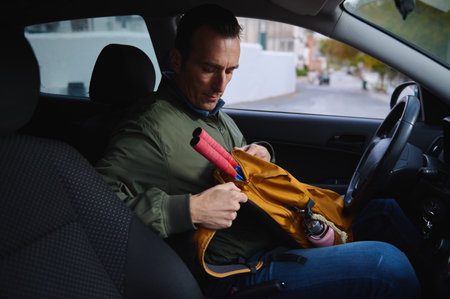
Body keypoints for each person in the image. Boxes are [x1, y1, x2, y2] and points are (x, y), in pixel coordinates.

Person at [95, 4, 422, 298]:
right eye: (209, 69)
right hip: (238, 267)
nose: (221, 85)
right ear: (177, 61)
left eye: (230, 71)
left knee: (384, 211)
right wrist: (188, 210)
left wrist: (262, 154)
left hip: (274, 232)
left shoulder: (210, 113)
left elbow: (245, 174)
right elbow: (94, 205)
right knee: (388, 266)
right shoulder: (148, 126)